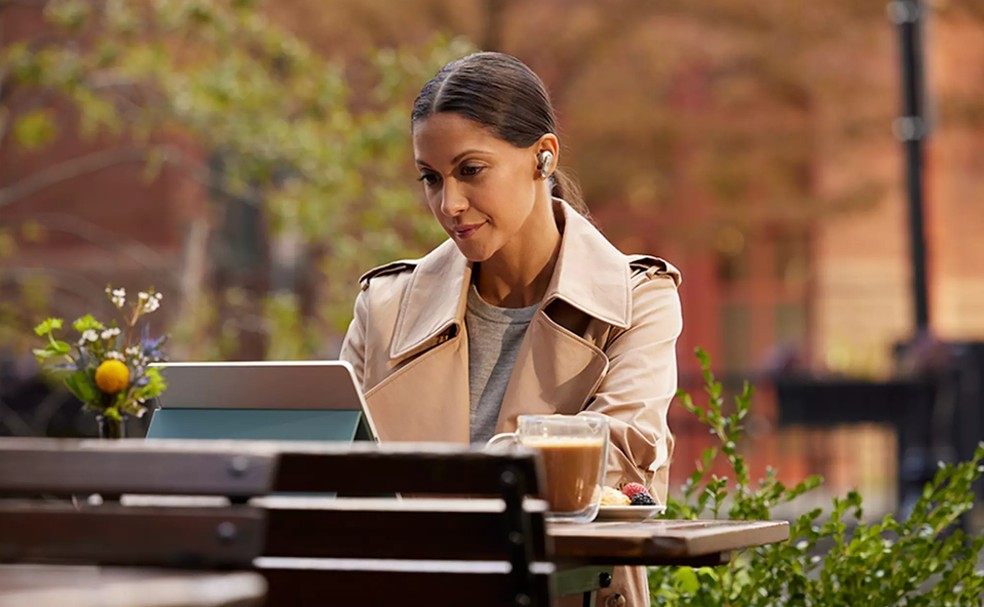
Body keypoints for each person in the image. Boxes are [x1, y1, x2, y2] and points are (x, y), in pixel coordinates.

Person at [340, 51, 683, 607]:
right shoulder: (385, 308)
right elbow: (329, 470)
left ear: (543, 158)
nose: (449, 203)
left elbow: (618, 463)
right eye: (431, 178)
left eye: (470, 171)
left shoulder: (636, 299)